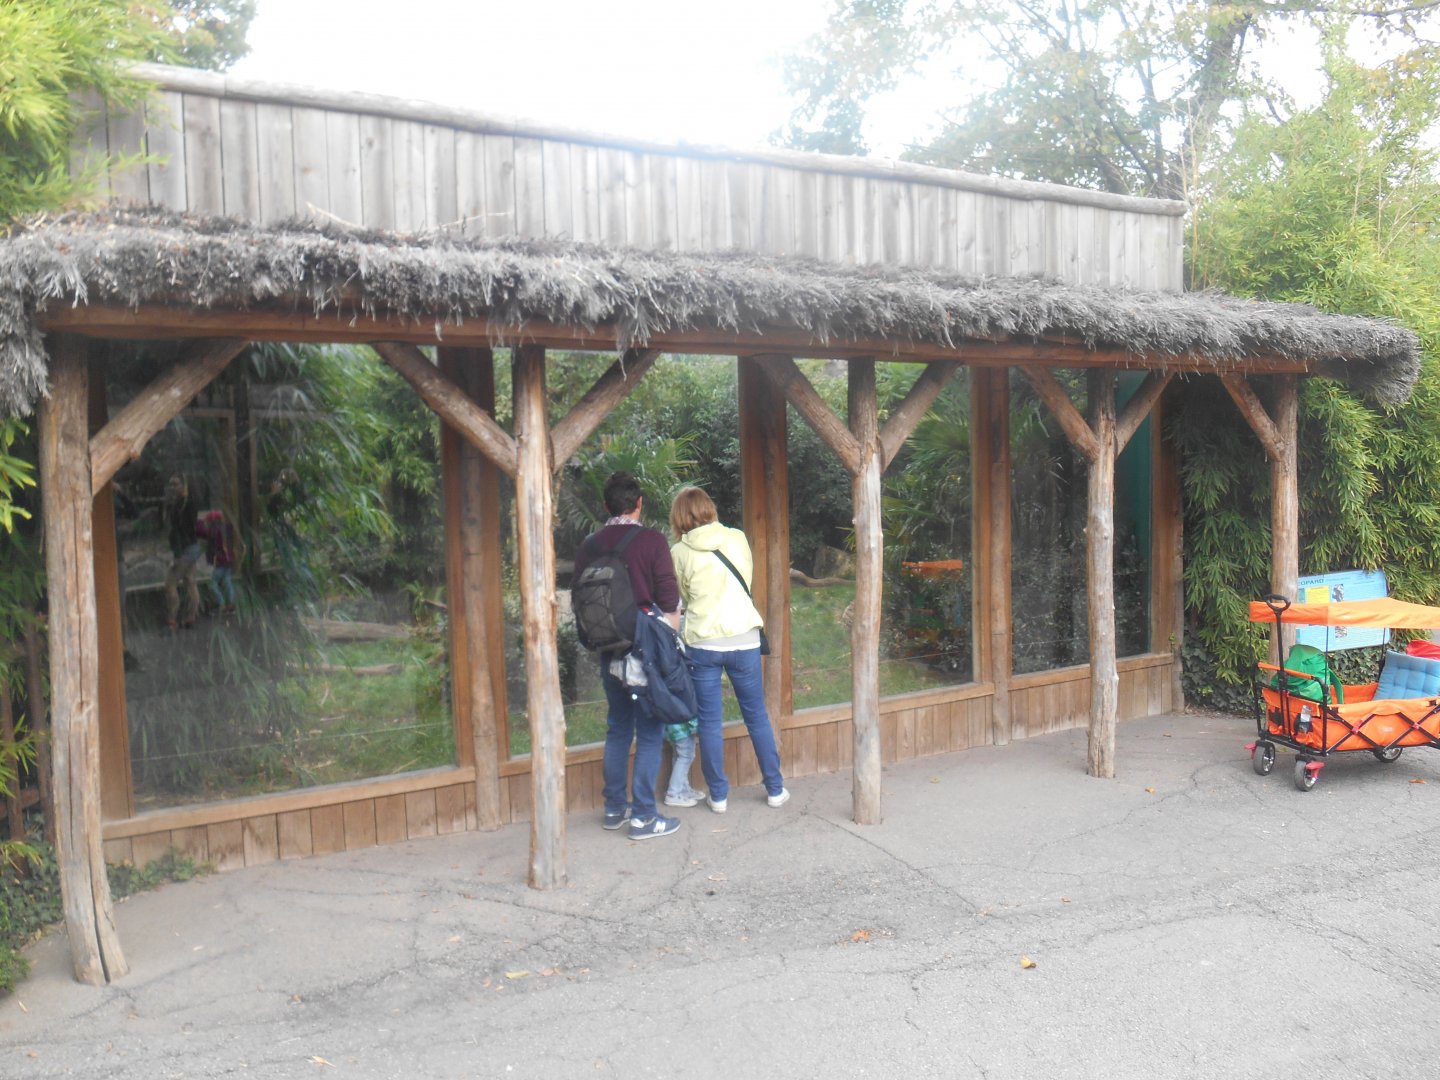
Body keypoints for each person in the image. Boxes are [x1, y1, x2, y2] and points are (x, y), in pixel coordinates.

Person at [573, 472, 683, 840]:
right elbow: (668, 596)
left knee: (619, 726)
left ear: (606, 506)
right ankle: (645, 818)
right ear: (639, 504)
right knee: (650, 729)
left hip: (608, 646)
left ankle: (614, 808)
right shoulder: (651, 541)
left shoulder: (589, 544)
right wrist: (669, 638)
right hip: (644, 646)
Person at [669, 486, 788, 812]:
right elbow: (745, 581)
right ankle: (775, 789)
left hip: (703, 642)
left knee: (709, 721)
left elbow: (685, 599)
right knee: (756, 715)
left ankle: (718, 795)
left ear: (679, 517)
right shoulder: (736, 538)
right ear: (709, 508)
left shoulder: (678, 552)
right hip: (743, 638)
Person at [162, 474, 202, 630]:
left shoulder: (183, 505)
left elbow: (178, 530)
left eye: (176, 484)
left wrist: (177, 555)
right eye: (171, 484)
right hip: (190, 546)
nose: (172, 488)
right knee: (190, 581)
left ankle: (173, 617)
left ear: (183, 487)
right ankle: (190, 616)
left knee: (170, 583)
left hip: (185, 549)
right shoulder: (182, 503)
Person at [199, 508, 241, 614]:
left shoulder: (214, 530)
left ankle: (221, 604)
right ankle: (231, 605)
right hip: (229, 561)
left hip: (220, 561)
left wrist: (199, 522)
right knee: (227, 582)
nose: (207, 522)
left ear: (213, 521)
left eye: (208, 520)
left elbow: (202, 532)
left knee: (212, 583)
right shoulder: (227, 528)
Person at [663, 717, 705, 807]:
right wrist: (695, 726)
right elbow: (689, 708)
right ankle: (673, 793)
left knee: (678, 756)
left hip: (672, 726)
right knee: (686, 757)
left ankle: (682, 789)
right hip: (683, 728)